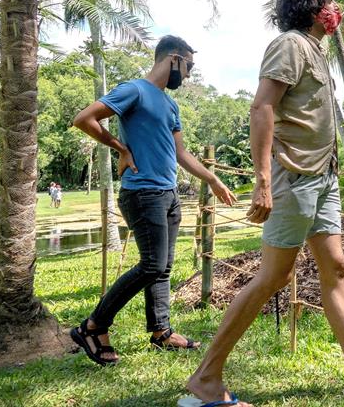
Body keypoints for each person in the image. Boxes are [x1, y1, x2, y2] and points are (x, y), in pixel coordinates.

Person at [184, 0, 344, 406]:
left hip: (322, 177)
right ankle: (205, 379)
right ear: (312, 7)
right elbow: (262, 106)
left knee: (336, 268)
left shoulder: (314, 49)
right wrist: (263, 181)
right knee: (273, 277)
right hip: (293, 176)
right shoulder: (289, 44)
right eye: (328, 1)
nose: (334, 10)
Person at [70, 35, 237, 367]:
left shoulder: (170, 104)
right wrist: (120, 147)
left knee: (163, 268)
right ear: (174, 59)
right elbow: (84, 119)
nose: (188, 75)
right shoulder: (133, 90)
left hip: (168, 193)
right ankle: (93, 327)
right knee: (152, 265)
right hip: (142, 191)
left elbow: (181, 154)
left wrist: (214, 179)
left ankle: (161, 332)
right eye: (188, 66)